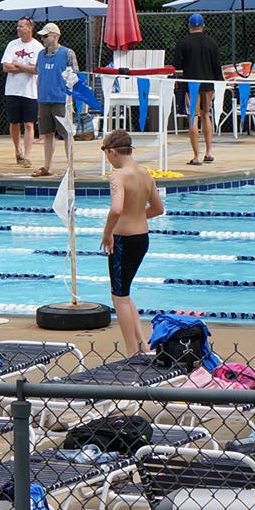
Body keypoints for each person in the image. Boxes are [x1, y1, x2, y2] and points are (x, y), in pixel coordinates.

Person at [99, 129, 164, 356]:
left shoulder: (119, 175)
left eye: (105, 153)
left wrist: (107, 234)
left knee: (118, 296)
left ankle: (130, 353)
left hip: (123, 241)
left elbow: (116, 209)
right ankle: (143, 345)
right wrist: (137, 215)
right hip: (142, 239)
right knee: (124, 293)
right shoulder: (145, 173)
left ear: (113, 151)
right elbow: (158, 209)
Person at [173, 12, 225, 165]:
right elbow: (217, 66)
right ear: (203, 26)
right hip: (208, 83)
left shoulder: (183, 42)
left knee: (193, 116)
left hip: (191, 83)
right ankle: (209, 152)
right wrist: (218, 84)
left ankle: (196, 156)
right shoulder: (211, 42)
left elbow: (177, 65)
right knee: (206, 115)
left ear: (189, 26)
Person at [31, 22, 78, 179]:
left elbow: (76, 76)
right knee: (47, 134)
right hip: (44, 99)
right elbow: (39, 74)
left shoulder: (67, 53)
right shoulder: (40, 55)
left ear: (56, 37)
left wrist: (70, 96)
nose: (43, 39)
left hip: (61, 100)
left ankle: (70, 167)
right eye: (42, 36)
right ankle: (47, 166)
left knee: (66, 134)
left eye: (46, 36)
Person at [2, 17, 42, 166]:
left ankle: (27, 155)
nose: (18, 29)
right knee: (14, 123)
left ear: (30, 28)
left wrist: (17, 64)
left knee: (29, 124)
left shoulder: (37, 47)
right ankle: (17, 150)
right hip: (12, 90)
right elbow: (6, 67)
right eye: (18, 26)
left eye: (21, 26)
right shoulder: (12, 45)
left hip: (29, 91)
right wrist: (25, 67)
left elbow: (35, 69)